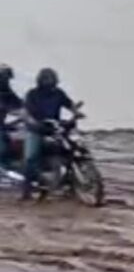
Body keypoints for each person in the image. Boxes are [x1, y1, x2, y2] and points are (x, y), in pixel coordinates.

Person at [22, 68, 78, 199]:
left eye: (52, 78)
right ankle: (26, 190)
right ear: (40, 80)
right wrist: (32, 121)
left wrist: (76, 113)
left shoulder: (58, 93)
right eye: (46, 78)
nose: (49, 81)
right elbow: (26, 112)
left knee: (70, 150)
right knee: (31, 157)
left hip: (54, 128)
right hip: (36, 130)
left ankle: (71, 184)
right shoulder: (32, 94)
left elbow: (69, 104)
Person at [0, 65, 23, 167]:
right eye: (4, 77)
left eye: (7, 78)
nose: (6, 80)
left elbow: (18, 103)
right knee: (2, 146)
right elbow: (6, 105)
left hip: (2, 125)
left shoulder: (6, 90)